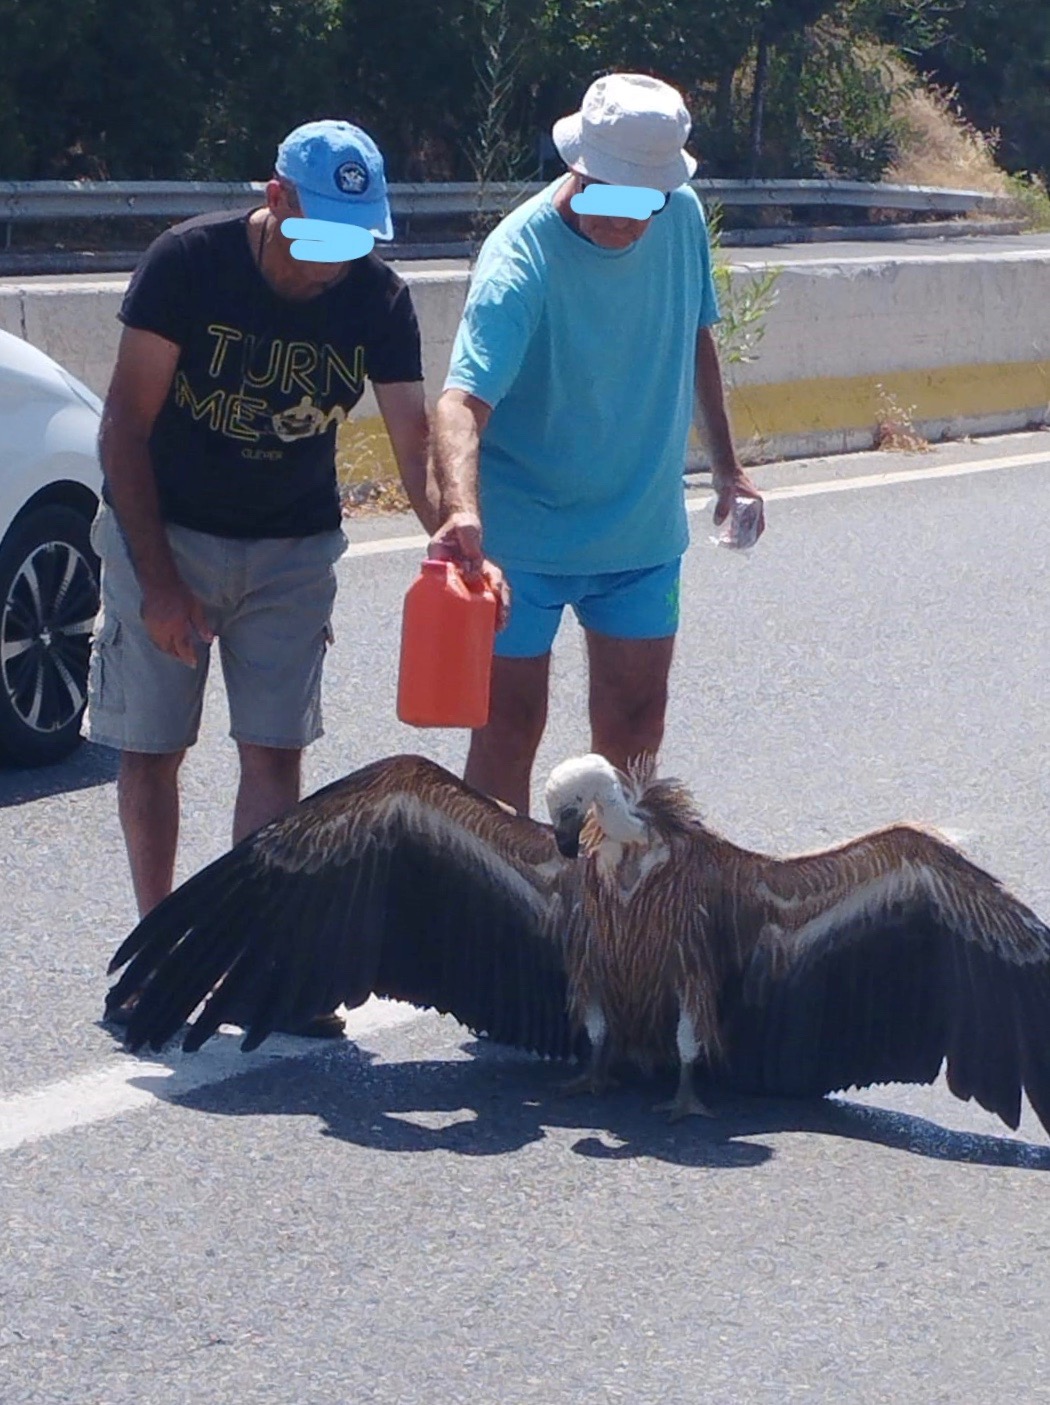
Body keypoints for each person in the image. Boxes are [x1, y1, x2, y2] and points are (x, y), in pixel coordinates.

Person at [89, 119, 431, 1036]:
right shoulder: (186, 264)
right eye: (323, 234)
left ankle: (254, 961)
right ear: (276, 198)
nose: (337, 260)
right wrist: (160, 585)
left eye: (356, 238)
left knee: (274, 750)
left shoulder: (378, 299)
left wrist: (457, 532)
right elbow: (122, 426)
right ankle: (159, 957)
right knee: (154, 746)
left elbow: (415, 442)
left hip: (292, 546)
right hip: (169, 527)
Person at [429, 73, 765, 816]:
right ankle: (507, 915)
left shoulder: (679, 218)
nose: (623, 219)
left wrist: (728, 468)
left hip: (640, 532)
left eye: (640, 201)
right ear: (577, 167)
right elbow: (459, 403)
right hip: (523, 543)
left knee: (637, 732)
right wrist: (459, 510)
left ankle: (611, 912)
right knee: (509, 730)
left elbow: (696, 336)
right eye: (607, 194)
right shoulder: (519, 260)